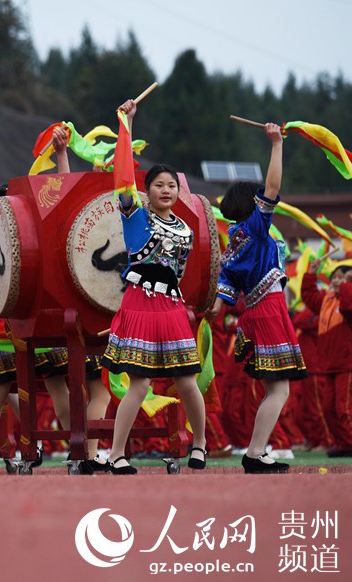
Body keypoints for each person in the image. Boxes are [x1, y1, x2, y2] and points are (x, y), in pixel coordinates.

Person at [101, 99, 207, 475]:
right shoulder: (134, 217)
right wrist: (126, 126)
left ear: (179, 191)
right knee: (140, 383)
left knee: (187, 380)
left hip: (172, 306)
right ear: (146, 191)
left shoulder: (185, 228)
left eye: (172, 185)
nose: (166, 190)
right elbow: (122, 178)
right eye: (159, 185)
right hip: (139, 304)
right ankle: (117, 454)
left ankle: (200, 445)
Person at [207, 122, 307, 473]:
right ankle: (254, 453)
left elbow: (224, 289)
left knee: (274, 391)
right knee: (279, 392)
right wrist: (276, 144)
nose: (266, 199)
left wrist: (213, 309)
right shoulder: (253, 227)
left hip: (258, 312)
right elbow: (274, 186)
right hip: (268, 310)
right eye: (260, 198)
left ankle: (258, 451)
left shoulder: (233, 239)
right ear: (253, 204)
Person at [300, 261, 352, 457]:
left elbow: (348, 308)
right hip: (328, 365)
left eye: (342, 277)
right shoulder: (328, 299)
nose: (337, 281)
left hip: (346, 364)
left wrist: (347, 285)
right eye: (335, 277)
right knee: (329, 409)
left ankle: (349, 442)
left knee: (343, 408)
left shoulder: (346, 297)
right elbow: (309, 297)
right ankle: (344, 443)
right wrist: (311, 274)